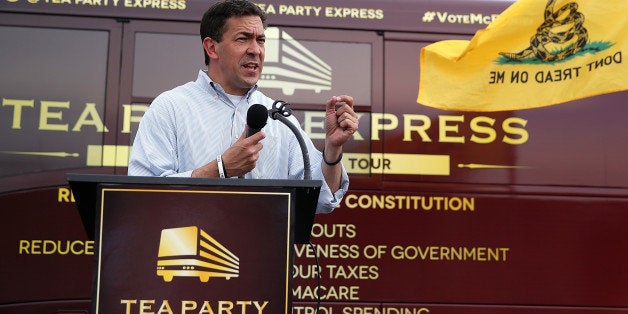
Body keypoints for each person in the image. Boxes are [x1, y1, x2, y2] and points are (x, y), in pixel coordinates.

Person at [128, 0, 359, 214]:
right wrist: (221, 169)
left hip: (262, 254)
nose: (255, 50)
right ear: (211, 48)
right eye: (243, 39)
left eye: (260, 40)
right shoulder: (170, 107)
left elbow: (322, 200)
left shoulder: (279, 117)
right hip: (191, 252)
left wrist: (332, 150)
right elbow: (142, 195)